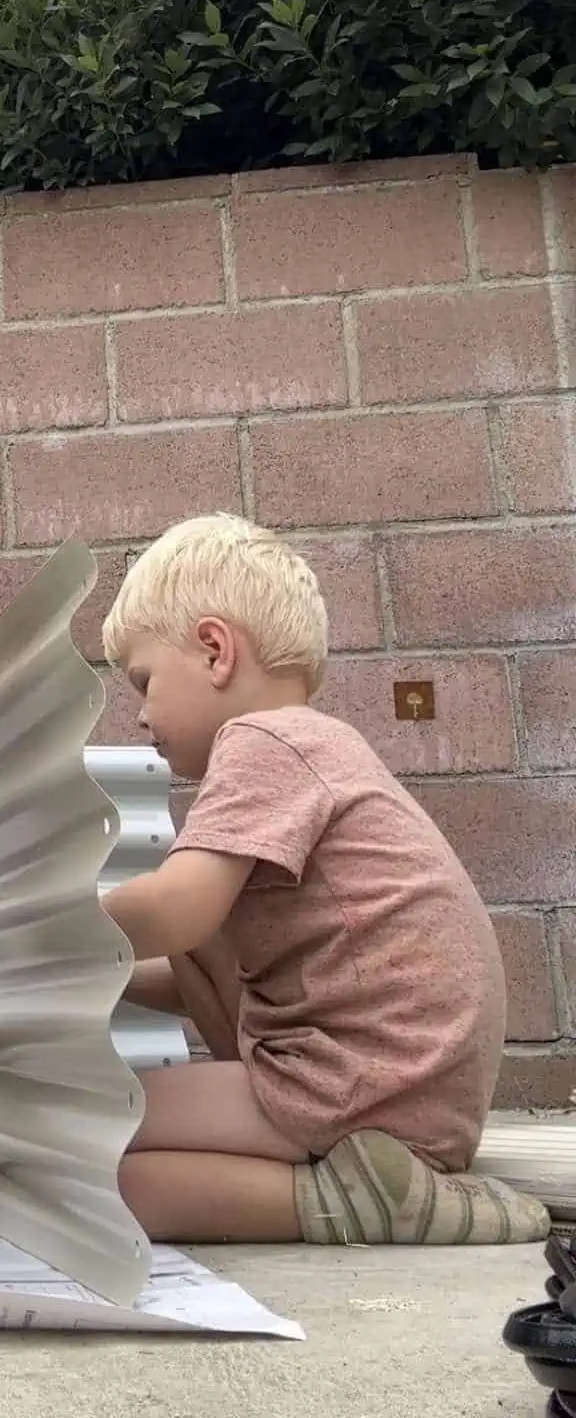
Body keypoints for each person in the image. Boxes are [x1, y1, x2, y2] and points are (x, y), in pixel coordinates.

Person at [99, 513, 551, 1248]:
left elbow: (176, 910)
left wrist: (40, 931)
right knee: (127, 1171)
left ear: (215, 650)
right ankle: (373, 1182)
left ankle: (375, 1203)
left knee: (88, 1137)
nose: (143, 716)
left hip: (367, 1083)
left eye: (144, 683)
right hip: (411, 1079)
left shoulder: (261, 741)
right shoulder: (313, 742)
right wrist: (102, 969)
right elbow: (195, 965)